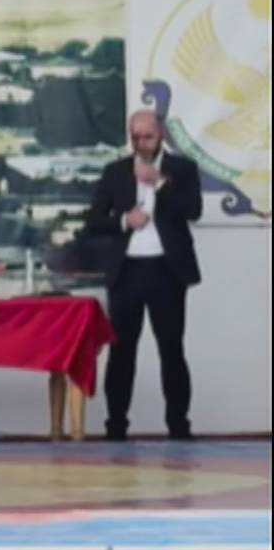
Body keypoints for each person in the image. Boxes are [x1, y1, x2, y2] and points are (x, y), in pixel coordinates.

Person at [86, 109, 203, 441]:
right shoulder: (115, 171)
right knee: (122, 350)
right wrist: (125, 220)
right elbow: (94, 221)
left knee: (171, 348)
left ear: (160, 135)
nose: (140, 143)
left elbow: (193, 210)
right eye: (135, 137)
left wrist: (160, 183)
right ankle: (116, 425)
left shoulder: (182, 169)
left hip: (167, 270)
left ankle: (179, 426)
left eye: (147, 137)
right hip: (127, 271)